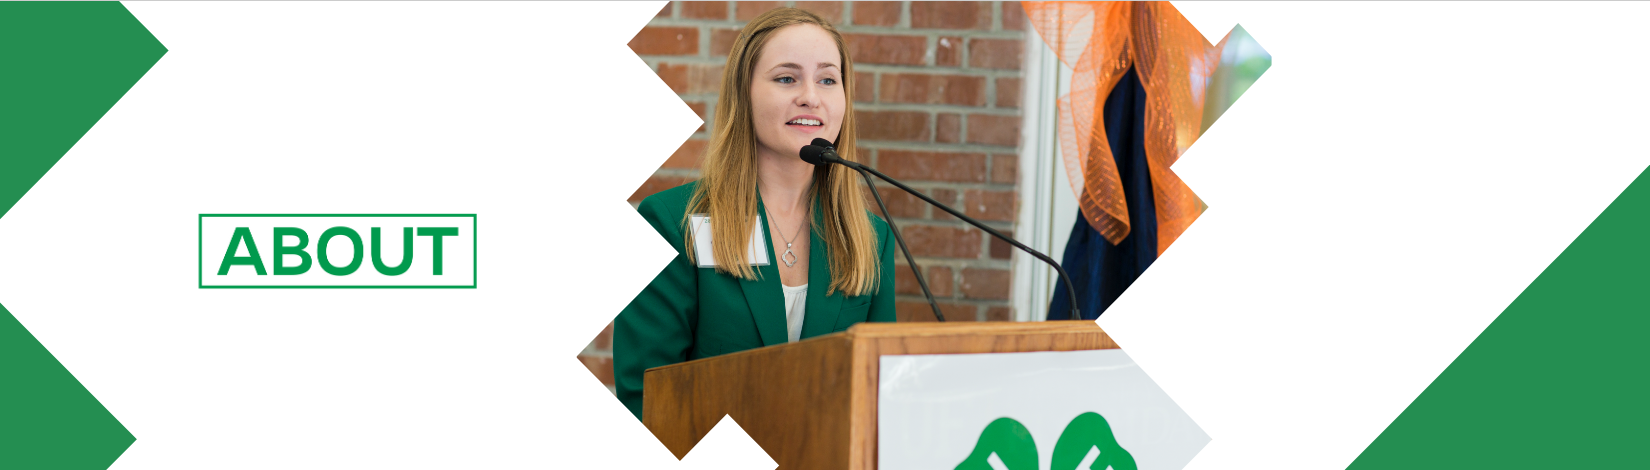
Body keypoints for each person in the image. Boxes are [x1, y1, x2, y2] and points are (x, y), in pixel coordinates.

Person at [613, 7, 896, 421]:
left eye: (827, 79)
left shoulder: (870, 237)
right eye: (786, 78)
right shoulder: (671, 224)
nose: (810, 96)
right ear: (743, 94)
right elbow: (648, 399)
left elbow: (879, 398)